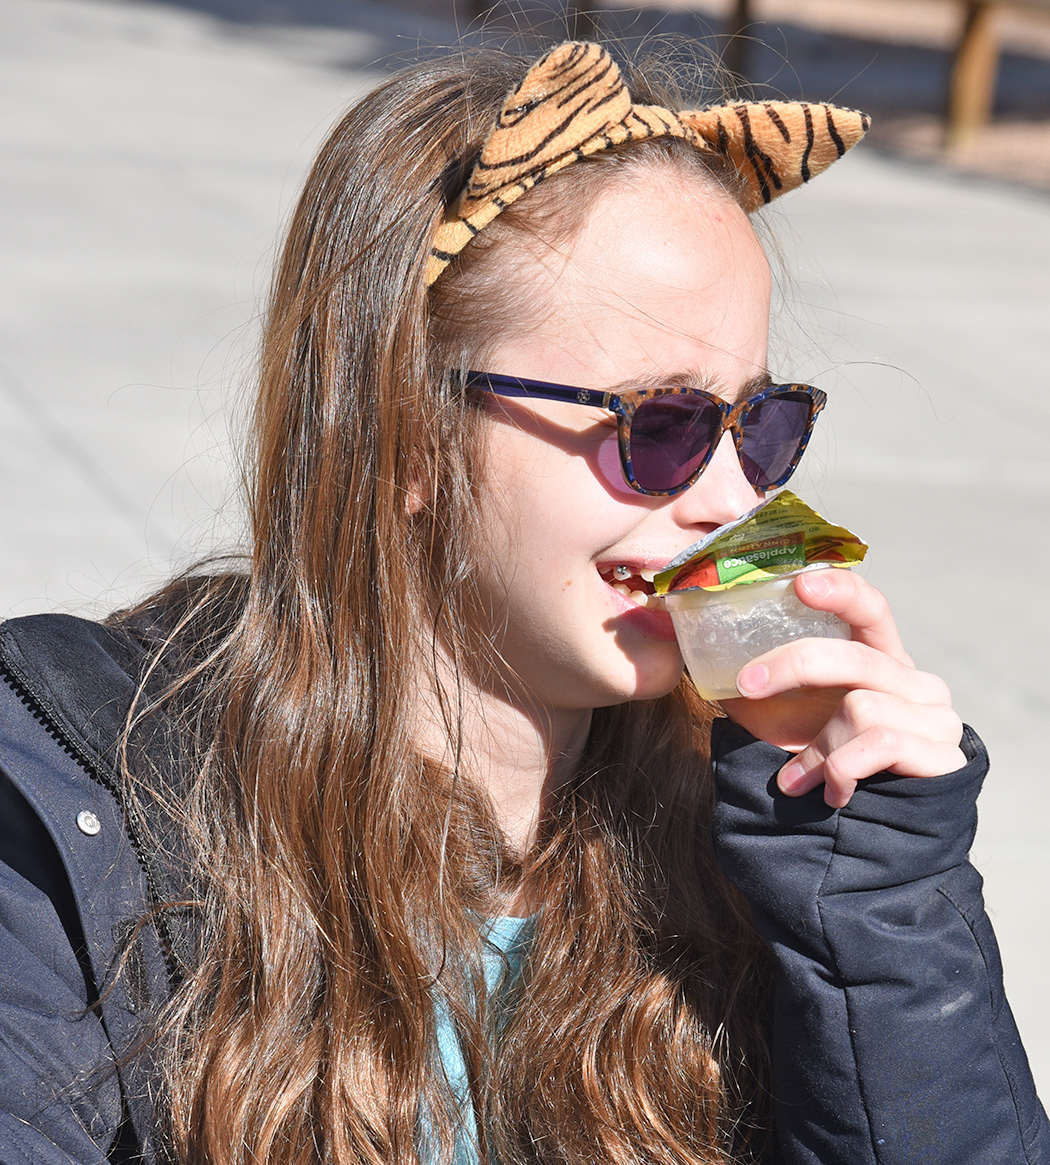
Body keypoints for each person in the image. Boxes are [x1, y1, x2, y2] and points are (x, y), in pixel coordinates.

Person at [0, 39, 1045, 1165]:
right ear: (402, 431)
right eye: (663, 426)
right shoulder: (88, 802)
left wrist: (878, 905)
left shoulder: (762, 827)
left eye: (764, 423)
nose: (733, 495)